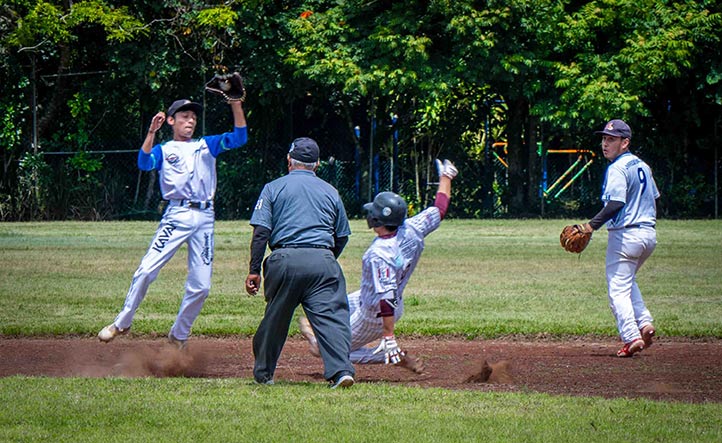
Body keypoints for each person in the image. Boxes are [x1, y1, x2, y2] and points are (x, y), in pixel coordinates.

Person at [98, 97, 248, 349]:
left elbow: (239, 138)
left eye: (193, 117)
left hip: (204, 218)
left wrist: (235, 104)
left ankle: (179, 334)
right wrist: (151, 132)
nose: (190, 120)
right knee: (146, 270)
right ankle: (122, 322)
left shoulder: (205, 145)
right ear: (171, 120)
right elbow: (144, 163)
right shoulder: (164, 150)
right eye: (184, 116)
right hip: (176, 215)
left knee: (202, 286)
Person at [299, 159, 458, 373]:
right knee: (325, 311)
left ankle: (390, 356)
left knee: (325, 349)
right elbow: (439, 209)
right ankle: (322, 333)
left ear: (377, 220)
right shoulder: (411, 228)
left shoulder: (379, 255)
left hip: (375, 314)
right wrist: (446, 176)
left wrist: (388, 336)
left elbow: (387, 297)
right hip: (369, 297)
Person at [245, 137, 355, 388]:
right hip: (323, 260)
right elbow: (342, 235)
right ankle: (341, 372)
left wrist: (254, 270)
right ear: (317, 164)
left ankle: (264, 375)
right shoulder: (331, 191)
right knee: (332, 319)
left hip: (285, 259)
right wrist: (324, 258)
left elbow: (261, 232)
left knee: (275, 318)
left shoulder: (273, 187)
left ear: (288, 160)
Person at [577, 119, 659, 358]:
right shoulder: (643, 165)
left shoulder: (617, 168)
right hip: (648, 234)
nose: (605, 144)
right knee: (627, 280)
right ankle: (645, 323)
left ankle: (631, 336)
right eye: (604, 139)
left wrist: (591, 226)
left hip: (625, 236)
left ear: (625, 143)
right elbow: (655, 197)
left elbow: (616, 203)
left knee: (617, 290)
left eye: (611, 139)